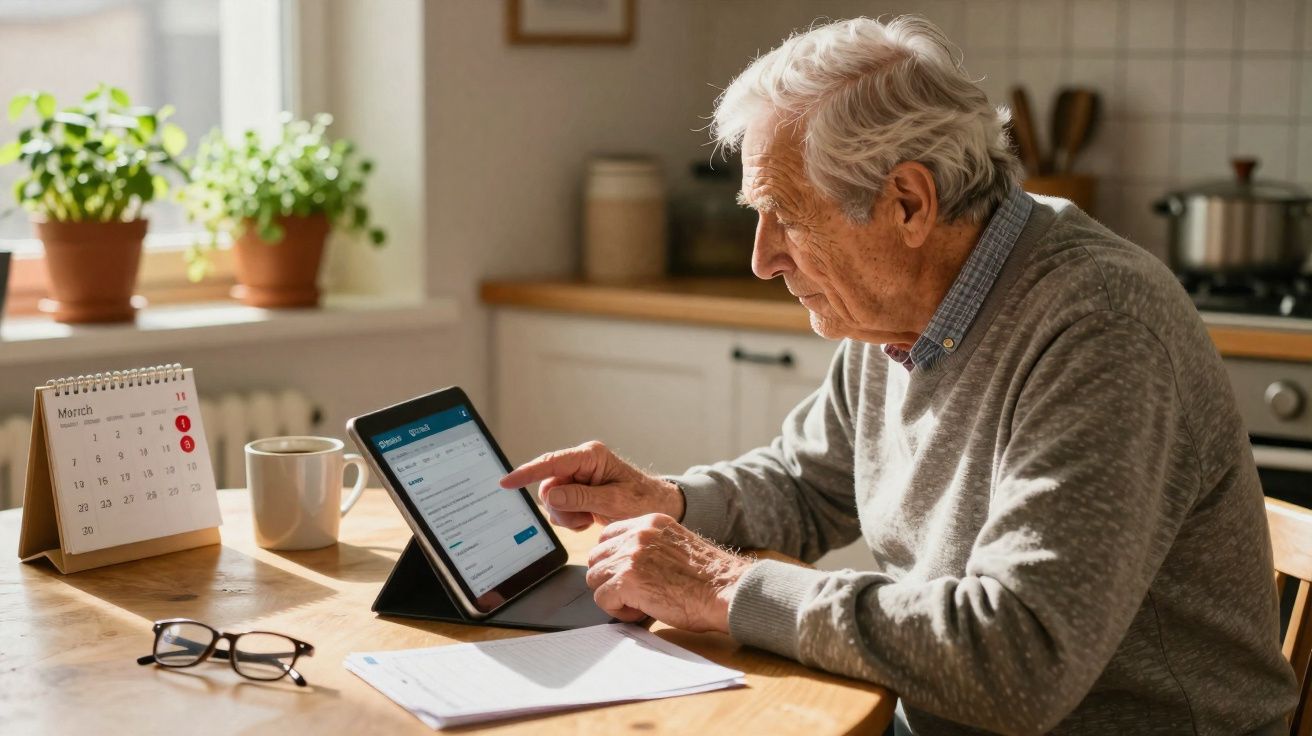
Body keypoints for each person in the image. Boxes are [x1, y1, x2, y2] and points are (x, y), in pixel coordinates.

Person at [499, 16, 1297, 735]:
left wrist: (722, 585)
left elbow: (1019, 657)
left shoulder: (1101, 329)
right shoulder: (903, 308)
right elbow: (809, 482)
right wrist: (669, 503)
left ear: (909, 203)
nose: (762, 258)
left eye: (785, 216)